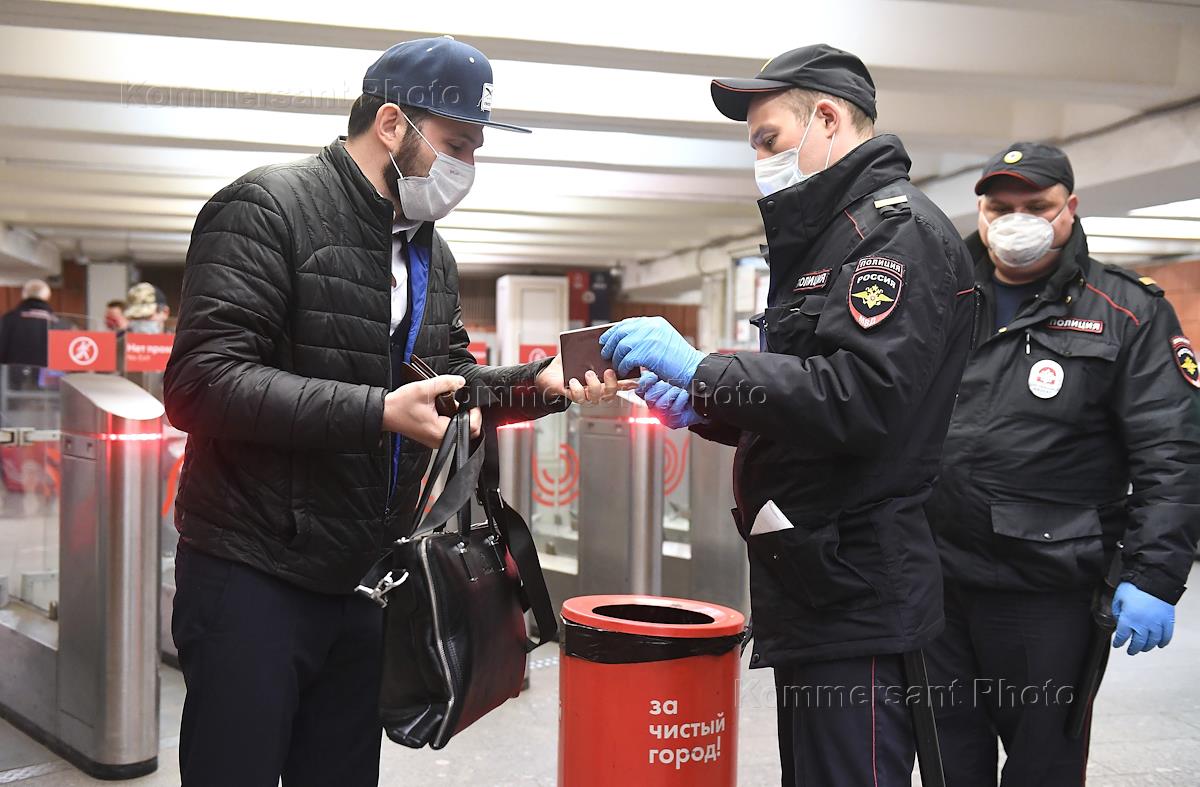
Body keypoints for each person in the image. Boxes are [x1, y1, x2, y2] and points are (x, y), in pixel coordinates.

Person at [162, 36, 617, 787]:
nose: (467, 167)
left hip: (367, 577)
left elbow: (451, 380)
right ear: (392, 124)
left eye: (475, 150)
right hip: (253, 570)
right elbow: (201, 383)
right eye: (456, 145)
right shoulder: (267, 207)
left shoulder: (431, 254)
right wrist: (377, 411)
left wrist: (543, 383)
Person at [604, 44, 976, 786]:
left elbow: (861, 398)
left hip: (858, 582)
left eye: (768, 139)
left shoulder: (893, 236)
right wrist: (705, 404)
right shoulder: (834, 237)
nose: (761, 161)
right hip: (816, 577)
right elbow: (810, 403)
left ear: (828, 118)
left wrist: (704, 368)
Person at [922, 142, 1200, 786]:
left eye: (1037, 206)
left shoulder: (1127, 309)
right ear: (981, 212)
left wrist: (1155, 574)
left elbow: (1172, 450)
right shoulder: (940, 298)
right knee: (946, 761)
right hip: (936, 578)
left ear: (1069, 207)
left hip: (1048, 589)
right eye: (1001, 207)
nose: (1016, 220)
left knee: (1042, 766)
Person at [0, 279, 68, 367]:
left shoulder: (8, 320)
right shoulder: (60, 324)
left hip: (11, 374)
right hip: (49, 375)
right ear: (47, 296)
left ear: (24, 295)